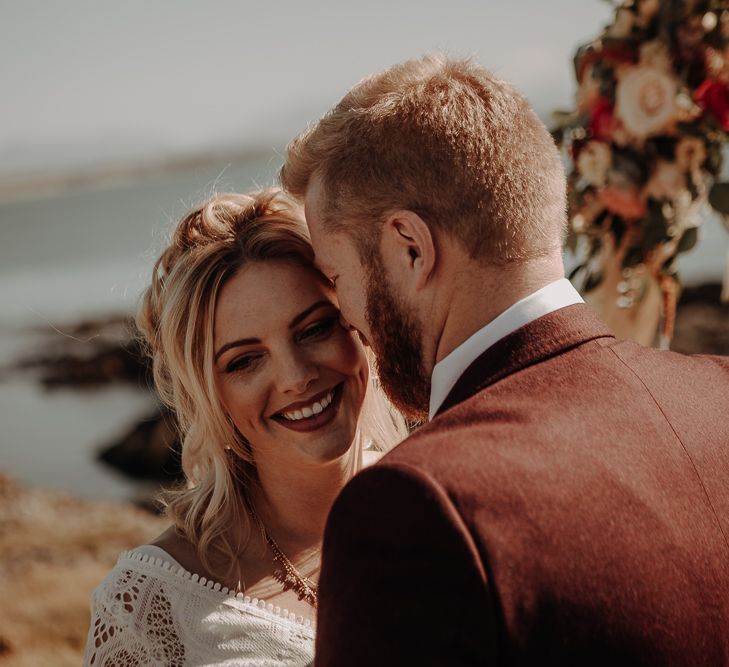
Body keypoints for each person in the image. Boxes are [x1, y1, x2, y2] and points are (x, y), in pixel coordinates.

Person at [281, 54, 729, 665]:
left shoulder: (416, 509)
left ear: (410, 248)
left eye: (338, 278)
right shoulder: (719, 393)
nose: (350, 323)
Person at [82, 189, 406, 666]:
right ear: (207, 396)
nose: (296, 378)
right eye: (245, 361)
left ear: (357, 324)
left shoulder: (445, 506)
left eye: (314, 328)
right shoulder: (147, 606)